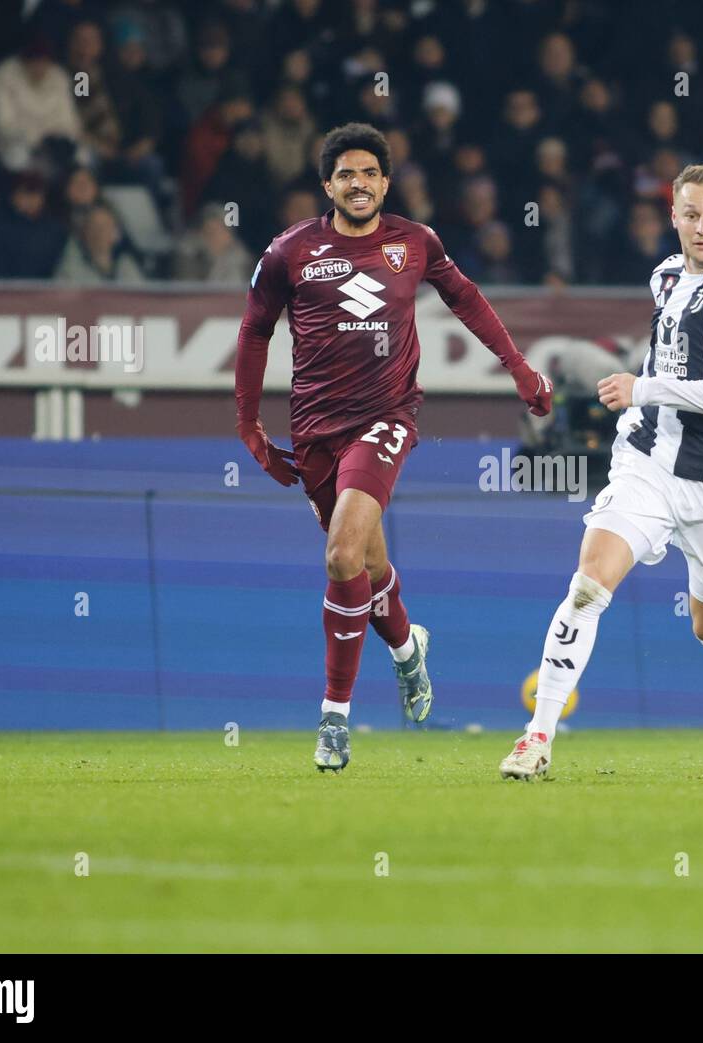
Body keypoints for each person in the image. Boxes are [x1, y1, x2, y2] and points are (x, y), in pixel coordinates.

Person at [234, 123, 553, 771]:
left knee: (340, 552)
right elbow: (254, 331)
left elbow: (466, 298)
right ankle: (408, 649)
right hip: (315, 428)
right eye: (346, 174)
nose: (359, 183)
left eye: (370, 173)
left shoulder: (415, 242)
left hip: (387, 416)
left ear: (386, 181)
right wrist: (250, 426)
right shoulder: (291, 252)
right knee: (367, 568)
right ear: (328, 185)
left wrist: (518, 367)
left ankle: (334, 718)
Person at [500, 164, 703, 781]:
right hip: (647, 463)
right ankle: (537, 738)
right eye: (691, 214)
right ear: (674, 217)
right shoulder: (664, 277)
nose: (702, 226)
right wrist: (640, 403)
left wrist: (644, 387)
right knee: (588, 585)